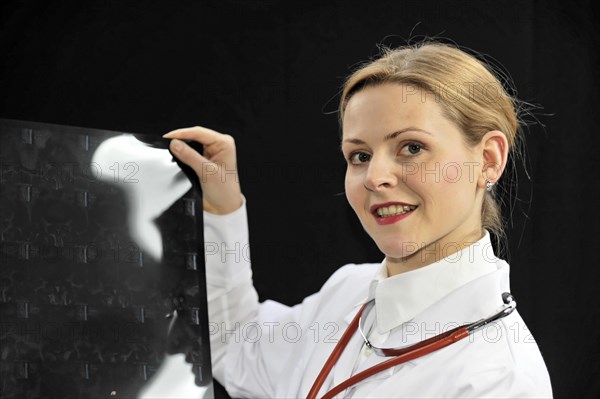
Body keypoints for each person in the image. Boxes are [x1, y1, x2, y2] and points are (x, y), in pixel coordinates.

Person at [163, 41, 553, 398]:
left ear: (489, 159)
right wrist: (222, 207)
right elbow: (233, 343)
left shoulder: (501, 380)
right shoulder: (349, 293)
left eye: (411, 147)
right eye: (359, 155)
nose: (374, 177)